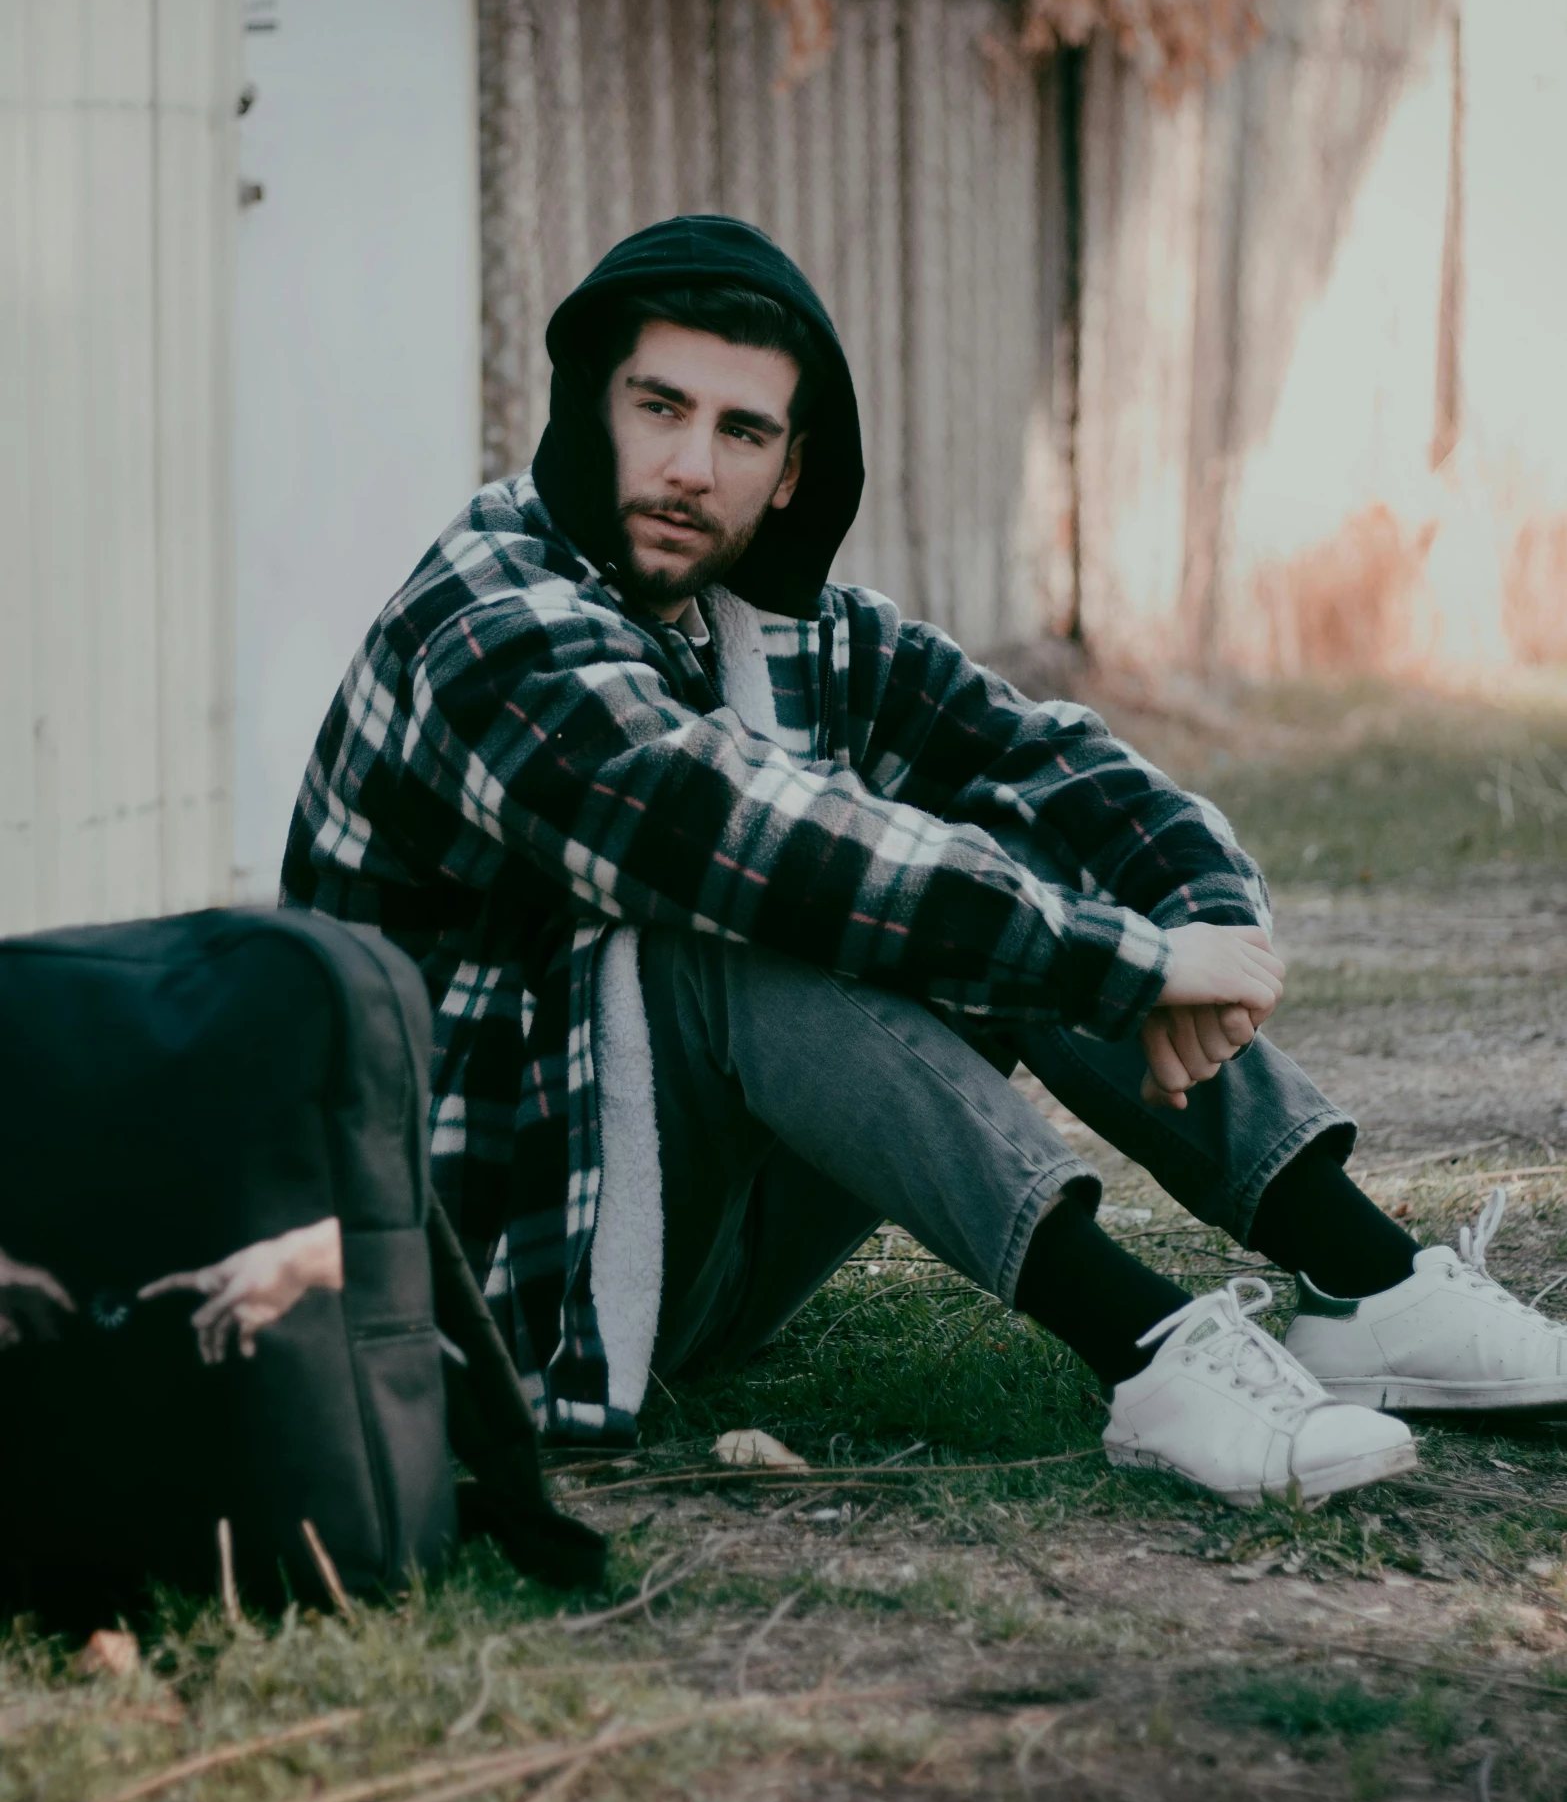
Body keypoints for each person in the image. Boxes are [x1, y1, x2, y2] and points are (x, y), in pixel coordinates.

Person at [283, 216, 1567, 1506]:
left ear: (790, 473)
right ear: (586, 408)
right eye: (658, 406)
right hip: (502, 1282)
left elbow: (1046, 760)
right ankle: (1151, 1354)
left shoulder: (769, 620)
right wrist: (1124, 963)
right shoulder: (493, 628)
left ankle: (1367, 1284)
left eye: (742, 432)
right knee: (774, 905)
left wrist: (1206, 932)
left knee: (988, 846)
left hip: (692, 1265)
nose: (688, 466)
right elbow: (753, 841)